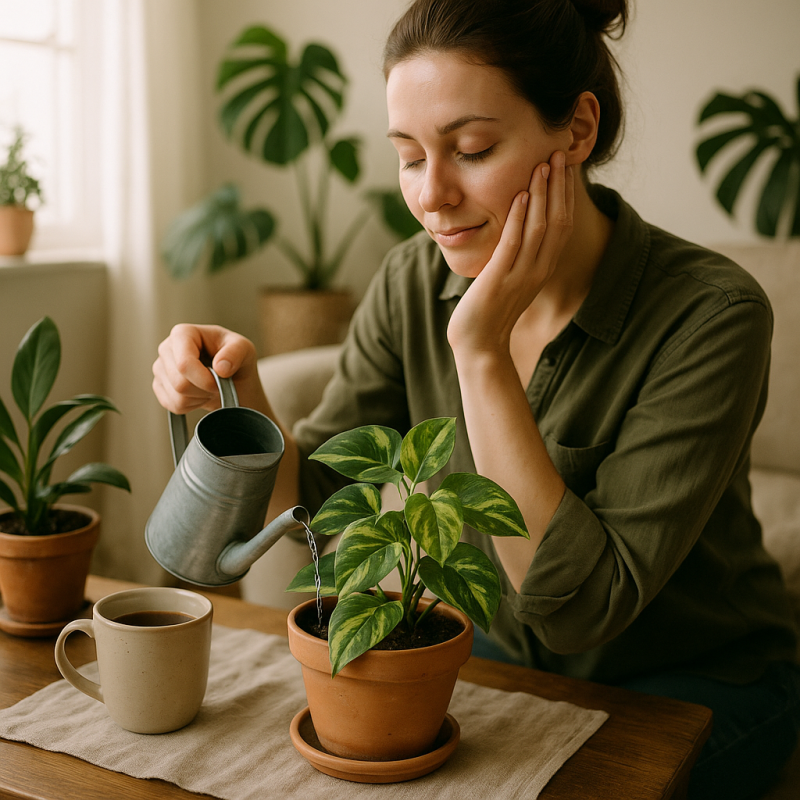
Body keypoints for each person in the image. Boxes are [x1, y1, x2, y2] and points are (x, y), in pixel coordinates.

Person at [153, 1, 800, 796]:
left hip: (693, 687)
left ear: (578, 131)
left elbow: (576, 610)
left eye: (472, 149)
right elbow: (317, 508)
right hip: (493, 661)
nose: (432, 196)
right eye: (409, 156)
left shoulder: (710, 315)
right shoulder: (410, 279)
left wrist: (481, 349)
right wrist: (237, 395)